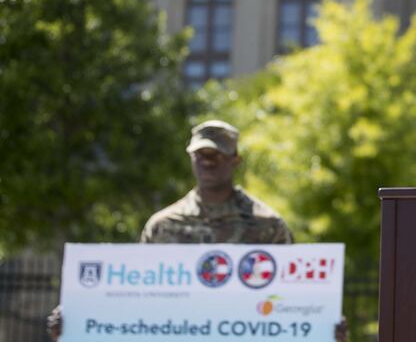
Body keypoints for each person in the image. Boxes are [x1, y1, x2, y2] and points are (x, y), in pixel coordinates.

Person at [48, 120, 347, 341]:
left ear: (235, 160)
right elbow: (133, 301)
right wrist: (79, 322)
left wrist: (323, 326)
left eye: (217, 154)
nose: (207, 161)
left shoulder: (268, 226)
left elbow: (291, 301)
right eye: (200, 154)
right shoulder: (163, 226)